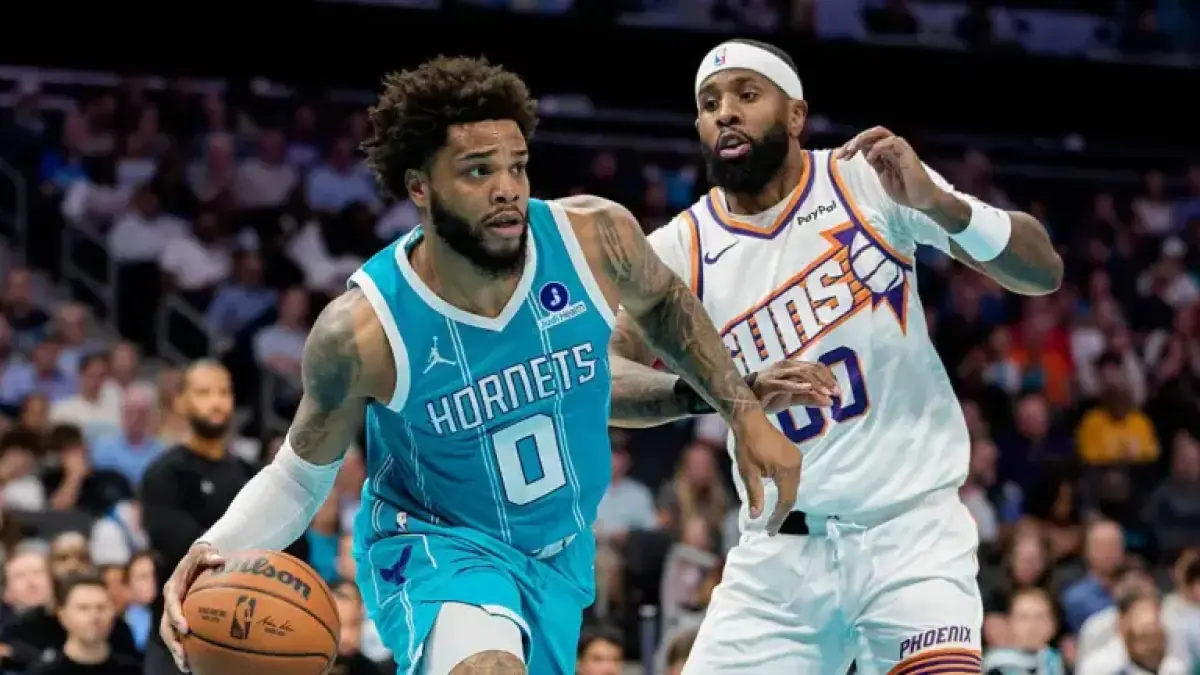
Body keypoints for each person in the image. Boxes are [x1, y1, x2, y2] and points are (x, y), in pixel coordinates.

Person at [158, 56, 803, 675]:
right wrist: (214, 548)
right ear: (420, 187)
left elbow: (647, 326)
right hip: (434, 544)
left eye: (517, 166)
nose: (507, 189)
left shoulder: (595, 238)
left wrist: (737, 408)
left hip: (559, 554)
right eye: (477, 171)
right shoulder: (363, 331)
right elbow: (301, 477)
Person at [609, 39, 1063, 673]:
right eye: (709, 104)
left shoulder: (865, 181)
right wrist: (728, 394)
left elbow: (1042, 270)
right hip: (778, 559)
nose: (725, 112)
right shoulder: (677, 248)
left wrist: (939, 203)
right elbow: (602, 378)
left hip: (909, 537)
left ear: (796, 114)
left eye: (747, 94)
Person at [138, 360, 308, 675]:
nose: (216, 402)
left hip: (249, 635)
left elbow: (295, 545)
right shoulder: (164, 474)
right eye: (203, 393)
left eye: (223, 392)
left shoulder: (253, 475)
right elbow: (182, 547)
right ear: (180, 401)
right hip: (181, 632)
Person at [28, 573, 141, 675]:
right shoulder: (45, 672)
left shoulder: (131, 670)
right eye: (83, 608)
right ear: (62, 616)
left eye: (101, 607)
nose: (94, 616)